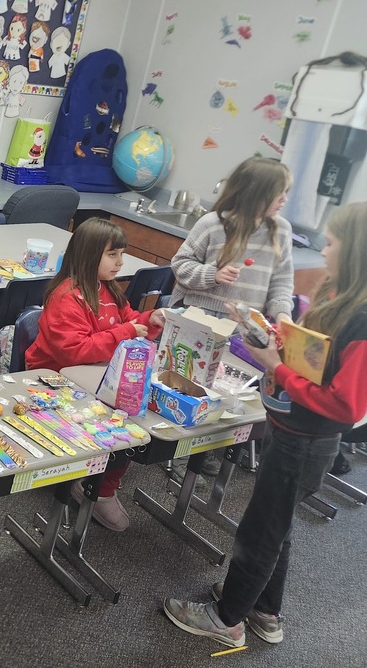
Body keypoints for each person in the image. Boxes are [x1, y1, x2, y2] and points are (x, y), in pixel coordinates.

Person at [163, 202, 367, 648]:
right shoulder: (341, 298)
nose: (324, 250)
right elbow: (319, 361)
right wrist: (277, 340)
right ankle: (264, 609)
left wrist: (278, 365)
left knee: (260, 533)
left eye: (331, 243)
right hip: (292, 432)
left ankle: (226, 619)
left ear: (353, 250)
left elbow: (345, 406)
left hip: (306, 442)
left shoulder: (362, 319)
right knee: (276, 528)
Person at [25, 217, 165, 531]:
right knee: (123, 414)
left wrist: (150, 318)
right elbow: (74, 352)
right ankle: (93, 486)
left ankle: (101, 484)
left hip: (93, 373)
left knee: (132, 410)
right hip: (52, 379)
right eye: (112, 254)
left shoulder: (110, 290)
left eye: (121, 253)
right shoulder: (67, 297)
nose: (120, 261)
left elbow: (131, 321)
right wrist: (128, 331)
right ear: (89, 255)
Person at [170, 156, 295, 476]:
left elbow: (281, 282)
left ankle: (213, 451)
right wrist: (213, 274)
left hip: (245, 326)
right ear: (257, 192)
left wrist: (282, 315)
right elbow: (180, 267)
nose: (284, 200)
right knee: (194, 389)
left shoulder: (281, 230)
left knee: (230, 395)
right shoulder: (212, 224)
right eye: (279, 193)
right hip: (202, 321)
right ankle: (181, 452)